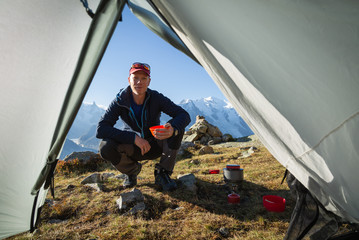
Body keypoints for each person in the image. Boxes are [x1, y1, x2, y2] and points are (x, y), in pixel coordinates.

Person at [96, 62, 191, 191]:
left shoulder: (156, 98)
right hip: (132, 148)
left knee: (176, 129)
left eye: (144, 78)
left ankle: (163, 173)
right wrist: (133, 138)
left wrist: (172, 129)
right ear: (129, 80)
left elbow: (183, 115)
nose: (139, 82)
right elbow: (101, 129)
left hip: (154, 145)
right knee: (105, 147)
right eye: (135, 78)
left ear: (149, 81)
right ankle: (131, 171)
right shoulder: (120, 101)